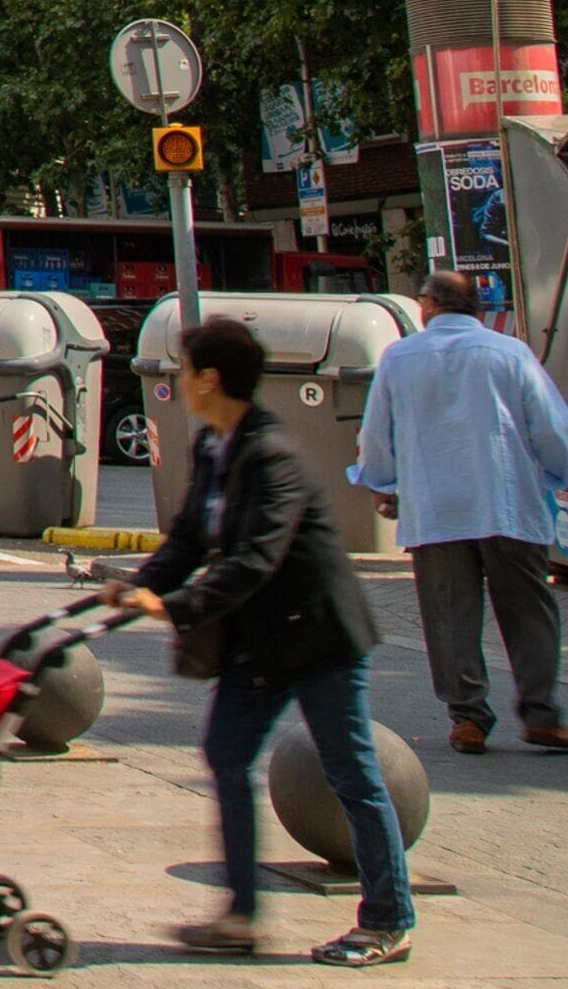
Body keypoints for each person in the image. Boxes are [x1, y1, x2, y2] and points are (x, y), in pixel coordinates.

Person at [106, 316, 415, 967]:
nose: (178, 381)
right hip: (262, 638)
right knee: (225, 753)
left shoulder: (271, 453)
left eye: (184, 369)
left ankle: (389, 919)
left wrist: (175, 606)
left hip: (320, 633)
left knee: (352, 773)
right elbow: (191, 538)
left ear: (210, 378)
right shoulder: (214, 447)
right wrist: (137, 586)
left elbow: (256, 559)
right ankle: (242, 917)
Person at [348, 268, 568, 756]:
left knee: (448, 614)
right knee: (528, 611)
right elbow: (550, 425)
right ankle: (541, 713)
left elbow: (376, 434)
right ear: (476, 309)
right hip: (507, 502)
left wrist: (381, 483)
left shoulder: (399, 358)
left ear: (428, 304)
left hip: (437, 510)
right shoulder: (510, 352)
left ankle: (469, 718)